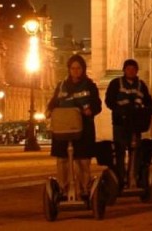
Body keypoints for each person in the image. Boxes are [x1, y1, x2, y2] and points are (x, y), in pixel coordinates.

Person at [45, 54, 102, 199]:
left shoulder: (90, 86)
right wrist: (49, 110)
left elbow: (97, 104)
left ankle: (84, 188)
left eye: (78, 68)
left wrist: (91, 110)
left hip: (83, 128)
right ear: (69, 69)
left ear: (83, 69)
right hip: (63, 128)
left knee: (82, 161)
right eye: (73, 68)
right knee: (62, 160)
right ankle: (63, 189)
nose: (75, 71)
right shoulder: (61, 85)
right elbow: (53, 101)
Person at [105, 59, 152, 189]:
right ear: (124, 70)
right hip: (120, 123)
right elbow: (109, 101)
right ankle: (120, 178)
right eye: (128, 69)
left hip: (136, 124)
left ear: (136, 71)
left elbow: (149, 101)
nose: (131, 71)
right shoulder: (115, 83)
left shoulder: (141, 85)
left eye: (133, 69)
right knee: (119, 151)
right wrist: (120, 110)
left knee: (136, 151)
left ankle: (134, 176)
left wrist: (149, 110)